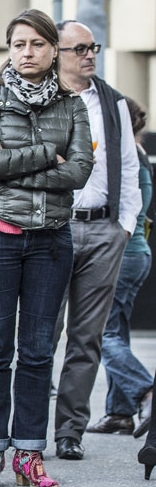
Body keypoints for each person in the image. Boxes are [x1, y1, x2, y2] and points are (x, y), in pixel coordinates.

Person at [0, 8, 93, 487]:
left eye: (37, 44)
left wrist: (12, 164)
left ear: (53, 49)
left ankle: (30, 455)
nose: (27, 52)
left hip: (51, 238)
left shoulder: (73, 104)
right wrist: (44, 157)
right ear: (9, 49)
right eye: (19, 44)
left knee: (38, 351)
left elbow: (79, 172)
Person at [51, 20, 144, 460]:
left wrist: (124, 225)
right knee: (40, 336)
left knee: (87, 339)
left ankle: (70, 431)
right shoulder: (44, 97)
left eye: (94, 48)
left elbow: (128, 165)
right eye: (80, 48)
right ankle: (26, 432)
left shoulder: (112, 102)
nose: (90, 55)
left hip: (104, 231)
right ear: (58, 53)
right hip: (54, 227)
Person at [92, 99, 154, 436]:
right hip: (136, 254)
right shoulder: (139, 154)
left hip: (122, 254)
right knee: (117, 331)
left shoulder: (123, 156)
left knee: (99, 334)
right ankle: (119, 412)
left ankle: (146, 389)